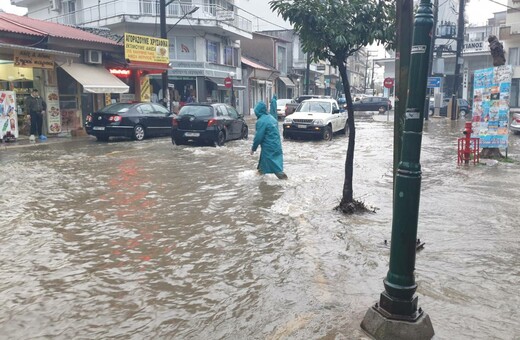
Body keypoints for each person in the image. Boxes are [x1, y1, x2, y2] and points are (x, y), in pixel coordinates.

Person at [251, 101, 287, 180]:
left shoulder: (261, 121)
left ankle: (285, 180)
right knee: (263, 166)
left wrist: (253, 149)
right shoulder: (272, 118)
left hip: (268, 148)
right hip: (276, 146)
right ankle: (259, 177)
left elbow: (258, 137)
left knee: (275, 168)